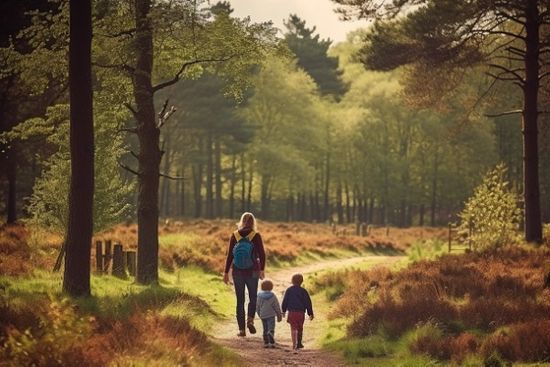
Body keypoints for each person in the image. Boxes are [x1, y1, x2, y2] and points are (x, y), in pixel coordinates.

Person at [223, 212, 266, 337]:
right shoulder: (255, 235)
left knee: (240, 300)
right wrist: (262, 270)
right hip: (253, 271)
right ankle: (250, 320)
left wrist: (226, 272)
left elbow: (230, 255)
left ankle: (242, 330)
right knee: (253, 297)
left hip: (237, 271)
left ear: (241, 221)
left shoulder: (235, 235)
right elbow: (262, 254)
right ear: (253, 222)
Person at [281, 273, 314, 350]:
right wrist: (310, 313)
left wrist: (283, 311)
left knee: (293, 328)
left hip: (292, 312)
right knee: (300, 328)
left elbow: (285, 301)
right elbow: (308, 303)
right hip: (301, 313)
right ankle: (299, 343)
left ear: (292, 281)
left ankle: (294, 344)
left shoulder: (289, 290)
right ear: (301, 281)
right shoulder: (304, 291)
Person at [256, 279, 283, 348]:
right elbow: (276, 306)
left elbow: (257, 306)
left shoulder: (259, 296)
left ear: (262, 287)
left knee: (265, 328)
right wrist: (279, 315)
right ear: (271, 287)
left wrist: (259, 314)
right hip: (271, 315)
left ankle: (266, 343)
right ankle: (271, 341)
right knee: (271, 328)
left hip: (263, 315)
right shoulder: (273, 296)